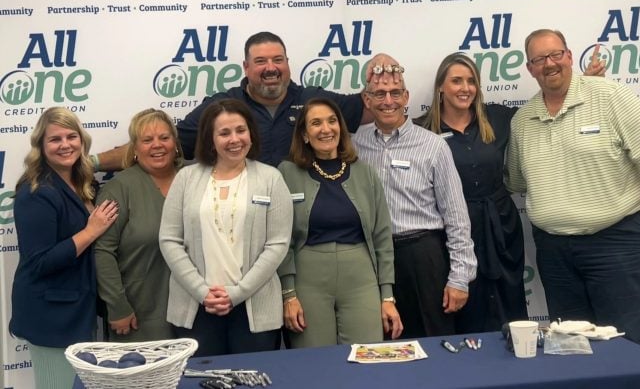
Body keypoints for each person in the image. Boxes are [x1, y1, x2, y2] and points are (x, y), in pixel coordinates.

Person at [506, 28, 640, 348]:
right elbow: (516, 181)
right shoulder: (522, 120)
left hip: (617, 243)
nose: (550, 64)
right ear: (530, 68)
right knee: (573, 346)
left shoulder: (608, 95)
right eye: (540, 59)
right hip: (555, 253)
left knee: (633, 345)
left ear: (569, 56)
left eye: (556, 54)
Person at [95, 32, 400, 170]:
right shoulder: (223, 107)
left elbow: (373, 106)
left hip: (305, 220)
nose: (271, 68)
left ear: (288, 63)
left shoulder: (312, 100)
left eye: (277, 60)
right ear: (246, 67)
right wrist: (92, 162)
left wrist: (381, 64)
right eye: (261, 61)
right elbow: (162, 144)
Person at [353, 60, 477, 338]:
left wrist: (459, 278)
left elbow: (456, 217)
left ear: (406, 98)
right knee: (378, 343)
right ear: (366, 100)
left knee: (432, 344)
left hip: (422, 258)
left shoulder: (433, 146)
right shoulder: (352, 145)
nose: (388, 101)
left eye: (395, 93)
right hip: (370, 259)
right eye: (379, 94)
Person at [159, 99, 292, 356]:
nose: (234, 139)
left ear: (251, 134)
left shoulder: (271, 178)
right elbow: (169, 240)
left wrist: (237, 294)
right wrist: (201, 291)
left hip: (254, 307)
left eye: (241, 130)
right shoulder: (186, 178)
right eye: (224, 133)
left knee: (254, 380)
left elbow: (277, 244)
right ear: (210, 139)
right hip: (197, 306)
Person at [413, 52, 527, 333]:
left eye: (471, 81)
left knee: (509, 309)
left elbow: (543, 113)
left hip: (500, 228)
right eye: (456, 81)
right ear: (441, 86)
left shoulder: (499, 118)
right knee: (464, 311)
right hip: (453, 233)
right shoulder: (421, 129)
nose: (465, 88)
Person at [278, 98, 402, 347]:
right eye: (316, 123)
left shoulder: (365, 172)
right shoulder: (286, 173)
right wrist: (288, 294)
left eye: (332, 121)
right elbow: (281, 240)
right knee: (314, 362)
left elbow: (382, 237)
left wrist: (387, 297)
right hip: (308, 279)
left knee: (367, 357)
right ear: (304, 134)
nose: (326, 129)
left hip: (360, 277)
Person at [9, 107, 118, 389]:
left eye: (72, 136)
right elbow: (40, 262)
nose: (65, 144)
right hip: (51, 318)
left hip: (77, 311)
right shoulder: (36, 191)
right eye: (55, 139)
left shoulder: (80, 181)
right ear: (41, 146)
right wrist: (90, 231)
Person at [95, 109, 183, 342]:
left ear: (175, 143)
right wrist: (117, 306)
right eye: (147, 140)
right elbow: (103, 252)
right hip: (140, 315)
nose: (157, 145)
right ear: (134, 148)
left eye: (164, 138)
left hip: (200, 315)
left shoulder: (195, 176)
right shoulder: (118, 189)